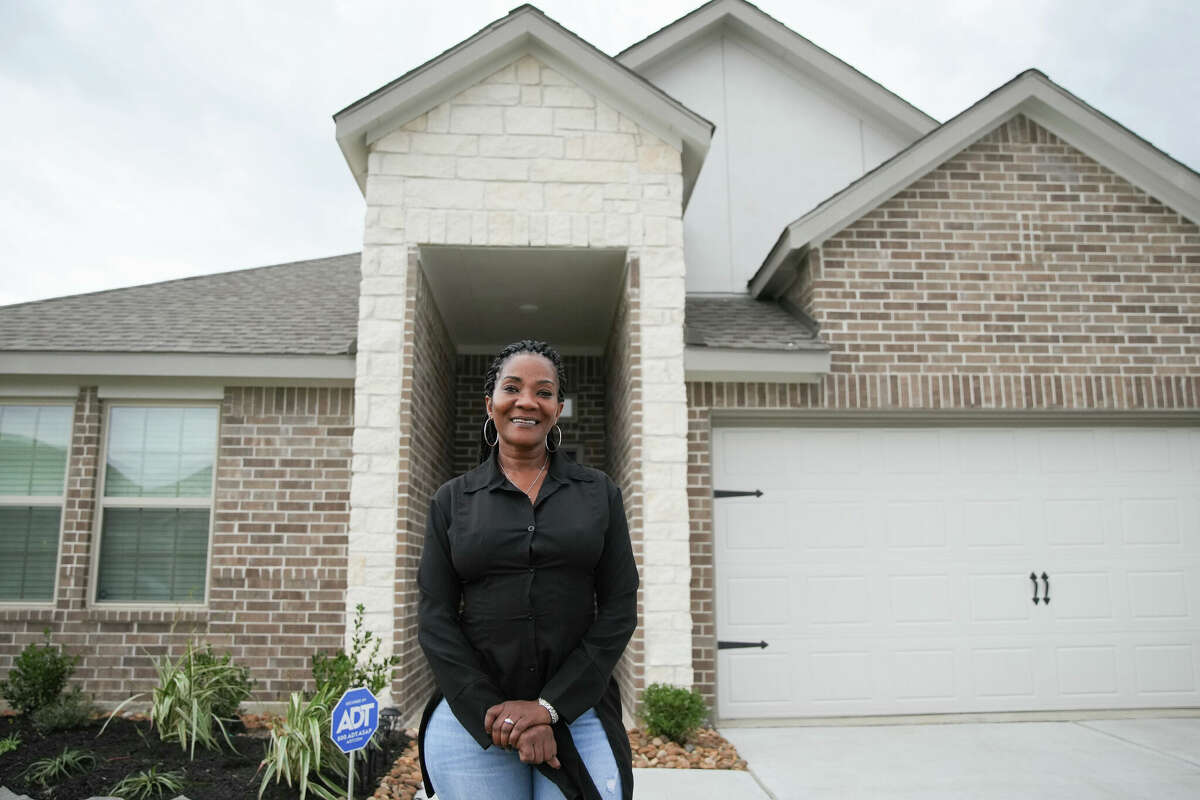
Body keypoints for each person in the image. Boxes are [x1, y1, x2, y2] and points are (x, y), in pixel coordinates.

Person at [416, 339, 639, 800]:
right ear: (491, 403)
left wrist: (550, 708)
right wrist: (497, 710)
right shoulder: (452, 501)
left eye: (544, 392)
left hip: (578, 704)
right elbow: (435, 617)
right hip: (478, 709)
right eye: (512, 388)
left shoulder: (599, 494)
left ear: (558, 408)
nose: (527, 402)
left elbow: (619, 606)